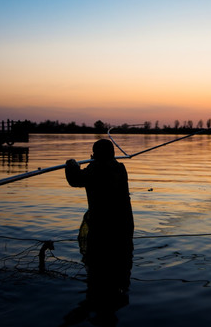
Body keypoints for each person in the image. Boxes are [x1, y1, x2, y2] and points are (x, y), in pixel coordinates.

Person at [63, 139, 134, 325]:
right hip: (123, 228)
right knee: (120, 267)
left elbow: (75, 179)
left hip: (103, 230)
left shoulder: (95, 170)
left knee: (98, 271)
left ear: (95, 155)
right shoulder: (120, 168)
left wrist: (71, 163)